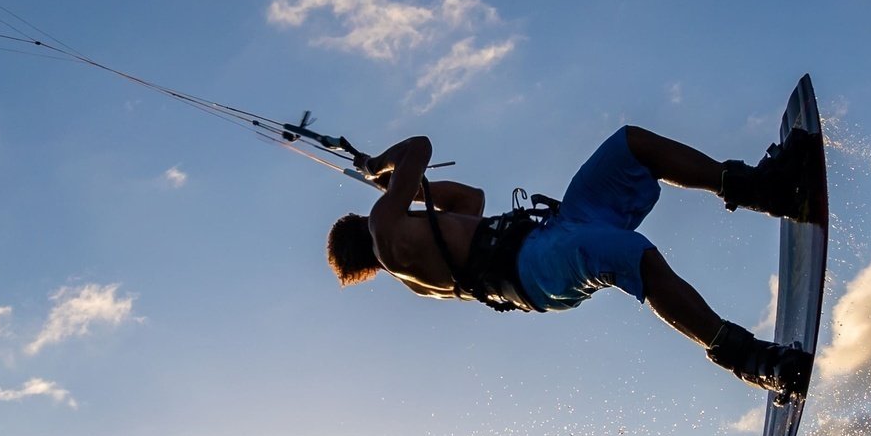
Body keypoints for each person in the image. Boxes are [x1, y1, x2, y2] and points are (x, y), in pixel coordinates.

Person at [326, 123, 822, 393]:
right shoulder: (383, 230)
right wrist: (378, 167)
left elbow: (470, 200)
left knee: (631, 145)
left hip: (553, 233)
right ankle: (750, 359)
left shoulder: (406, 244)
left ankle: (765, 190)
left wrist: (405, 188)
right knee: (635, 256)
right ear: (361, 228)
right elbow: (419, 145)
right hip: (536, 268)